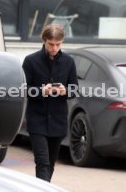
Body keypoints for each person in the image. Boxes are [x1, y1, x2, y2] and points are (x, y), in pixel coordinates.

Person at [22, 24, 78, 182]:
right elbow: (22, 89)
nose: (54, 48)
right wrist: (41, 90)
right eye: (51, 44)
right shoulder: (31, 61)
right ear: (44, 41)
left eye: (58, 44)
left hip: (58, 120)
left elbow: (75, 89)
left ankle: (43, 186)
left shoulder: (69, 61)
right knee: (42, 162)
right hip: (37, 119)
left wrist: (65, 91)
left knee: (51, 163)